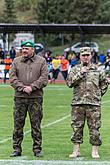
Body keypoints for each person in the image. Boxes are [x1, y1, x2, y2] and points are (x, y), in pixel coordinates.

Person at [66, 47, 108, 159]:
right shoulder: (75, 69)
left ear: (91, 56)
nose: (85, 57)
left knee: (94, 127)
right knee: (76, 127)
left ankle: (95, 150)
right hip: (78, 103)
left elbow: (104, 84)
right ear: (80, 56)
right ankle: (76, 150)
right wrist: (80, 73)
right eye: (83, 55)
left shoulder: (98, 69)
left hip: (93, 104)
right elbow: (69, 83)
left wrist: (97, 95)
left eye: (87, 55)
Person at [9, 40, 48, 157]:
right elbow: (12, 77)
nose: (24, 51)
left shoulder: (41, 61)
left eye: (27, 49)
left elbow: (44, 78)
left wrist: (32, 87)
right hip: (20, 98)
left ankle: (37, 149)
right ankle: (16, 149)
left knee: (35, 124)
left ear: (33, 50)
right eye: (23, 49)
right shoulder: (16, 61)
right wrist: (22, 88)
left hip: (35, 98)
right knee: (18, 124)